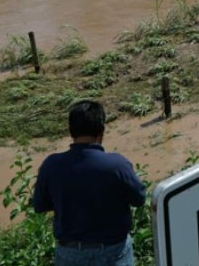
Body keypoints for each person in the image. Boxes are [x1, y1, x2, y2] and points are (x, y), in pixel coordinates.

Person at [33, 100, 146, 266]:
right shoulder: (117, 165)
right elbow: (140, 199)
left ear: (71, 131)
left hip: (69, 255)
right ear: (102, 131)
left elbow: (39, 205)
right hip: (113, 253)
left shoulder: (51, 165)